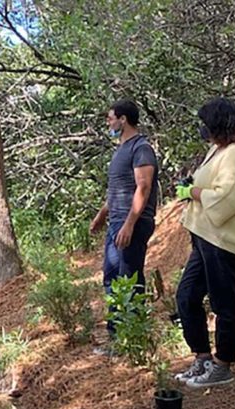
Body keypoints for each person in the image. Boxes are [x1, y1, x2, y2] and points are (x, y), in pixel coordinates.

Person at [174, 98, 235, 387]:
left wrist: (194, 191)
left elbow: (228, 197)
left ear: (219, 125)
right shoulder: (217, 149)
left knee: (225, 303)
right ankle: (202, 357)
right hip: (203, 235)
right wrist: (191, 189)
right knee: (186, 296)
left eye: (207, 124)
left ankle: (223, 365)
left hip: (223, 238)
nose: (203, 129)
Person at [90, 100, 159, 337]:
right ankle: (116, 333)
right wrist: (101, 216)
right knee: (111, 276)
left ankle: (132, 335)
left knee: (128, 277)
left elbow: (144, 186)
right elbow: (118, 190)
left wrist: (130, 224)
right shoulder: (121, 149)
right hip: (116, 222)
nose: (108, 123)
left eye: (110, 118)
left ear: (123, 119)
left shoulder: (141, 149)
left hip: (133, 223)